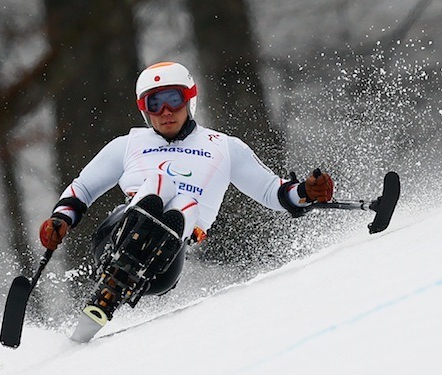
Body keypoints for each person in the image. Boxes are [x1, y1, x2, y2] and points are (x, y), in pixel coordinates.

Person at [39, 61, 334, 342]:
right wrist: (61, 219)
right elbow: (82, 189)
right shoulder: (128, 145)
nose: (165, 112)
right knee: (159, 184)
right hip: (114, 238)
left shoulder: (224, 147)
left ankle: (122, 280)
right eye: (155, 104)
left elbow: (273, 191)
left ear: (190, 100)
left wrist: (306, 192)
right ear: (144, 110)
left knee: (185, 204)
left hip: (165, 263)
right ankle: (113, 278)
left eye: (173, 99)